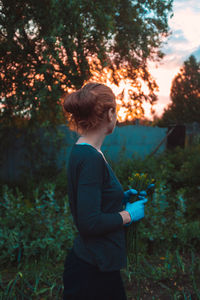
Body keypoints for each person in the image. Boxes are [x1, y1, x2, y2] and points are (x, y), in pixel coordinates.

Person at [62, 82, 148, 300]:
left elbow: (92, 201)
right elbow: (89, 222)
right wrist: (129, 215)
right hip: (92, 270)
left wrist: (118, 198)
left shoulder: (85, 151)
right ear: (110, 113)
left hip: (96, 264)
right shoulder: (90, 158)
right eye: (115, 110)